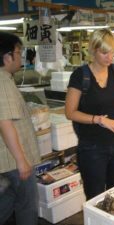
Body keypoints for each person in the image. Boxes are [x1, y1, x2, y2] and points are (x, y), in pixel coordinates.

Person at [65, 29, 114, 200]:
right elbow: (70, 112)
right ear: (93, 50)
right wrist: (99, 120)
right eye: (104, 52)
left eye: (112, 51)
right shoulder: (80, 76)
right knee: (96, 198)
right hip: (92, 149)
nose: (110, 57)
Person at [0, 32, 40, 225]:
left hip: (7, 162)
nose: (21, 56)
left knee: (8, 201)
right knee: (27, 206)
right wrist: (22, 161)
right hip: (14, 162)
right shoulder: (2, 81)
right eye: (18, 51)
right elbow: (5, 122)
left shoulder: (5, 79)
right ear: (7, 56)